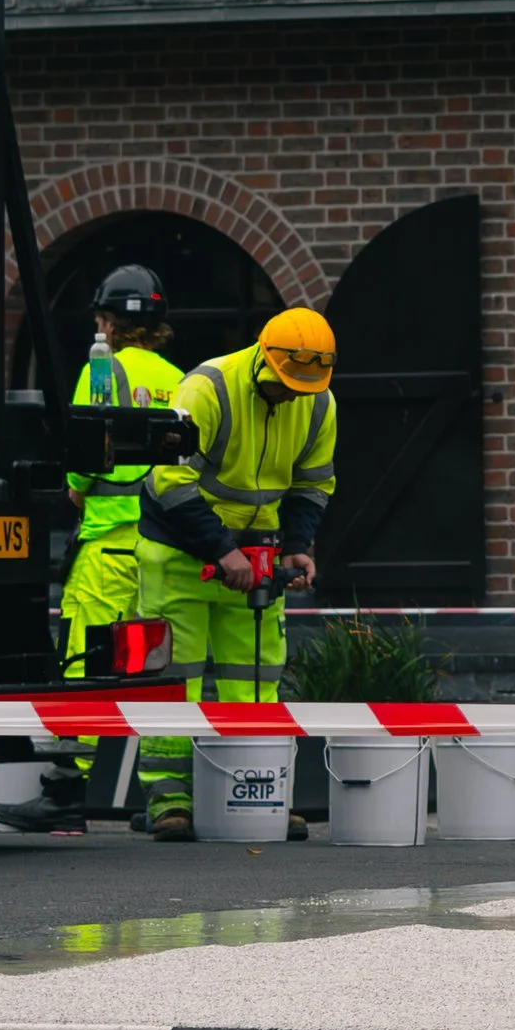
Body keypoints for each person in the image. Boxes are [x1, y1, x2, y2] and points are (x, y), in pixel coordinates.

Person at [0, 263, 185, 835]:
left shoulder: (100, 373)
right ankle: (166, 801)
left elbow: (80, 471)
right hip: (164, 550)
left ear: (107, 320)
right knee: (157, 673)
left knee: (82, 666)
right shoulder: (184, 378)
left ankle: (65, 794)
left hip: (106, 549)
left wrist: (78, 492)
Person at [135, 307, 340, 846]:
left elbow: (312, 485)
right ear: (262, 360)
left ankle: (258, 792)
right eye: (283, 384)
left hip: (255, 557)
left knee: (253, 679)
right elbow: (169, 481)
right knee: (171, 681)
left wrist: (295, 549)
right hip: (179, 552)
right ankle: (170, 802)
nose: (292, 395)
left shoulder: (318, 401)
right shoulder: (208, 388)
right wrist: (222, 550)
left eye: (303, 387)